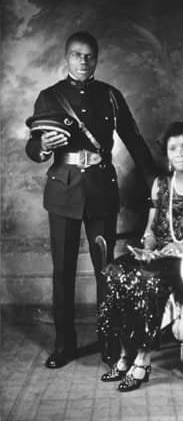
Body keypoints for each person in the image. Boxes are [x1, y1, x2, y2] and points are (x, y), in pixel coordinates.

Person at [25, 31, 157, 369]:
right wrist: (43, 147)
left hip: (100, 192)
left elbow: (134, 139)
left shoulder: (111, 96)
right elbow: (33, 145)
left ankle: (109, 344)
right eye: (76, 55)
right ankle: (64, 345)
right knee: (63, 272)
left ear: (97, 59)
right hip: (63, 193)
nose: (83, 61)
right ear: (66, 58)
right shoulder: (50, 96)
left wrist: (156, 179)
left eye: (89, 56)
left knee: (105, 271)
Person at [97, 121, 183, 391]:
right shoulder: (160, 184)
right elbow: (151, 229)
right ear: (167, 154)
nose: (179, 153)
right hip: (160, 255)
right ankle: (124, 357)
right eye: (173, 149)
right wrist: (148, 248)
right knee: (116, 273)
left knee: (149, 283)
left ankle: (142, 362)